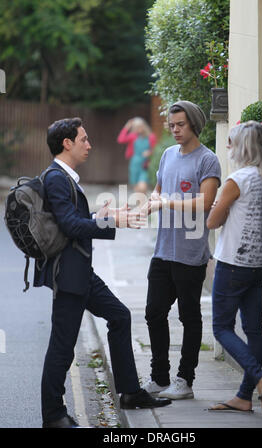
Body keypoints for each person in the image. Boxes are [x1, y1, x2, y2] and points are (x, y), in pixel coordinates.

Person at [34, 117, 171, 428]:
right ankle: (53, 416)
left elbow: (73, 219)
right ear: (66, 143)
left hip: (80, 271)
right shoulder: (56, 178)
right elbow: (70, 226)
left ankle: (130, 393)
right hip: (68, 275)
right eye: (83, 139)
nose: (89, 144)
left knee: (119, 316)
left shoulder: (65, 177)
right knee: (62, 344)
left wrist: (105, 215)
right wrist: (112, 223)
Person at [141, 101, 221, 400]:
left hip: (190, 254)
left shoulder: (208, 160)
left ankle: (184, 380)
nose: (174, 130)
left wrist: (167, 202)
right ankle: (159, 377)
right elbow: (158, 190)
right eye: (171, 125)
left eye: (180, 125)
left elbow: (204, 202)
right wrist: (149, 205)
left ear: (194, 125)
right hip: (163, 250)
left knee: (189, 317)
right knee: (153, 313)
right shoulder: (167, 155)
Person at [206, 121, 262, 416]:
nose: (228, 147)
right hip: (259, 264)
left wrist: (215, 207)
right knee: (252, 329)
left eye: (232, 141)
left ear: (244, 146)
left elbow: (213, 221)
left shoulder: (237, 180)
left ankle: (260, 378)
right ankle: (244, 397)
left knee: (222, 328)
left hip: (233, 265)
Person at [117, 117, 157, 194]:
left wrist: (150, 152)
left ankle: (144, 204)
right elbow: (120, 139)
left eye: (140, 126)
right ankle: (141, 206)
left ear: (144, 126)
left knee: (143, 187)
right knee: (137, 190)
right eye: (136, 127)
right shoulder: (133, 136)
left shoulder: (151, 137)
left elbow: (155, 150)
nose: (138, 128)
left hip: (145, 165)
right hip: (134, 164)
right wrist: (127, 126)